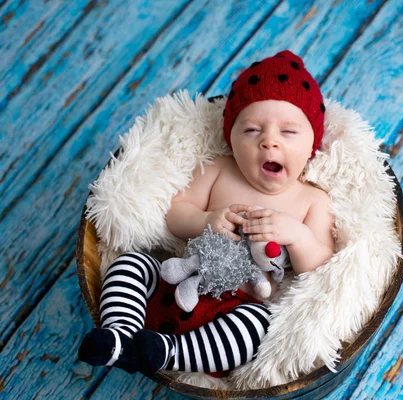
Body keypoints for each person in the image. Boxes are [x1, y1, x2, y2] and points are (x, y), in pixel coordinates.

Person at [78, 50, 335, 375]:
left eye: (289, 132)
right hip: (177, 277)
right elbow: (175, 212)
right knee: (132, 263)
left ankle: (168, 353)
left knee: (258, 326)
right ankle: (121, 337)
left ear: (313, 143)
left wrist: (296, 235)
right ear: (231, 136)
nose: (269, 142)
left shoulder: (312, 200)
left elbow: (322, 264)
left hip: (231, 312)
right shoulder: (220, 170)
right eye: (252, 130)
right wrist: (206, 219)